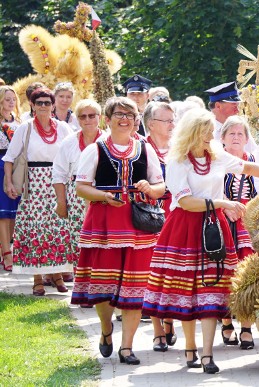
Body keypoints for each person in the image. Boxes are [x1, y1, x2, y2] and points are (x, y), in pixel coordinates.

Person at [142, 108, 259, 374]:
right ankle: (190, 346)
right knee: (187, 288)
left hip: (214, 226)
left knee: (212, 288)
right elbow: (186, 201)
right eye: (206, 131)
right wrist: (222, 202)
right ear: (192, 132)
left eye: (211, 131)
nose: (211, 135)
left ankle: (207, 354)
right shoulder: (178, 161)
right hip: (185, 227)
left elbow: (245, 166)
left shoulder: (215, 155)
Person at [70, 96, 165, 365]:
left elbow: (161, 188)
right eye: (119, 114)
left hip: (137, 225)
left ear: (137, 120)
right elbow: (81, 187)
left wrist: (149, 188)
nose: (125, 119)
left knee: (135, 287)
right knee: (104, 284)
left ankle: (127, 347)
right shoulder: (96, 149)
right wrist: (102, 196)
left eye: (130, 114)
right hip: (104, 223)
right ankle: (106, 328)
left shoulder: (146, 150)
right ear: (107, 119)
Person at [3, 88, 75, 294]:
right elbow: (9, 158)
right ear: (32, 106)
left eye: (47, 102)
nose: (43, 106)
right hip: (33, 183)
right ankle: (37, 279)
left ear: (53, 105)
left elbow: (73, 153)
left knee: (58, 229)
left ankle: (58, 275)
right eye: (39, 102)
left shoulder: (63, 128)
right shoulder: (25, 128)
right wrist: (9, 183)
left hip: (58, 182)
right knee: (36, 230)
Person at [142, 101, 179, 352]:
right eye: (167, 120)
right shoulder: (141, 148)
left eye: (173, 119)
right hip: (151, 216)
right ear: (152, 124)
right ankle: (157, 330)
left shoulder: (179, 148)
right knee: (152, 273)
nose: (172, 124)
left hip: (177, 215)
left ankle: (170, 317)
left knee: (174, 271)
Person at [52, 99, 103, 280]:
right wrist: (61, 202)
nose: (87, 120)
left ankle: (98, 283)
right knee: (78, 240)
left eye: (92, 115)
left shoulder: (108, 140)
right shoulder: (69, 142)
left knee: (101, 241)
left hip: (103, 195)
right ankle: (83, 284)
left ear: (100, 117)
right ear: (78, 119)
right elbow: (58, 173)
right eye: (83, 116)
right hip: (76, 197)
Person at [220, 115, 259, 350]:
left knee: (247, 276)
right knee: (224, 273)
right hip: (222, 218)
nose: (236, 137)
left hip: (248, 222)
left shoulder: (253, 161)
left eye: (240, 134)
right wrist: (225, 206)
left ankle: (246, 327)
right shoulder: (215, 161)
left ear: (246, 139)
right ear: (223, 138)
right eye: (231, 134)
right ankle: (226, 323)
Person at [0, 86, 22, 271]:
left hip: (17, 168)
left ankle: (7, 246)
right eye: (7, 99)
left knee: (14, 212)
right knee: (3, 214)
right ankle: (7, 254)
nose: (11, 102)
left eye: (13, 99)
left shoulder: (20, 122)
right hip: (0, 166)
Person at [205, 82, 257, 153]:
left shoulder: (240, 127)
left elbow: (254, 154)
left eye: (238, 106)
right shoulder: (203, 128)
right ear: (218, 106)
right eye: (234, 106)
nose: (238, 110)